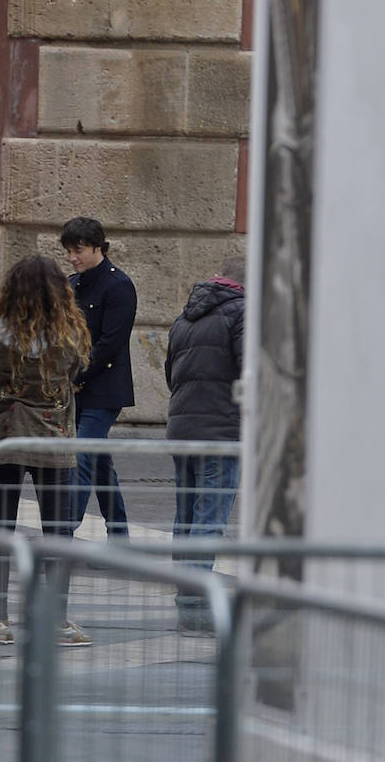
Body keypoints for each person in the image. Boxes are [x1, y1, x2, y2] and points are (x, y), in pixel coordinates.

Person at [0, 255, 94, 647]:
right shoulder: (70, 334)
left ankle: (0, 620)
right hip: (52, 438)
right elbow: (73, 373)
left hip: (5, 436)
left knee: (1, 527)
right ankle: (56, 619)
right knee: (56, 532)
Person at [165, 255, 245, 635]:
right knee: (209, 521)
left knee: (186, 519)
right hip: (221, 430)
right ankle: (196, 607)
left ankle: (187, 602)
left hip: (183, 427)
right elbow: (250, 372)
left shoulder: (185, 317)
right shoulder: (241, 313)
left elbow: (171, 374)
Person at [60, 217, 138, 540]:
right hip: (75, 387)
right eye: (68, 251)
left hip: (104, 390)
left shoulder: (119, 285)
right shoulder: (72, 284)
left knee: (81, 456)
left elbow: (110, 343)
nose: (72, 258)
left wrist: (78, 375)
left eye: (78, 251)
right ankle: (119, 534)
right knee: (100, 462)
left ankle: (63, 531)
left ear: (97, 247)